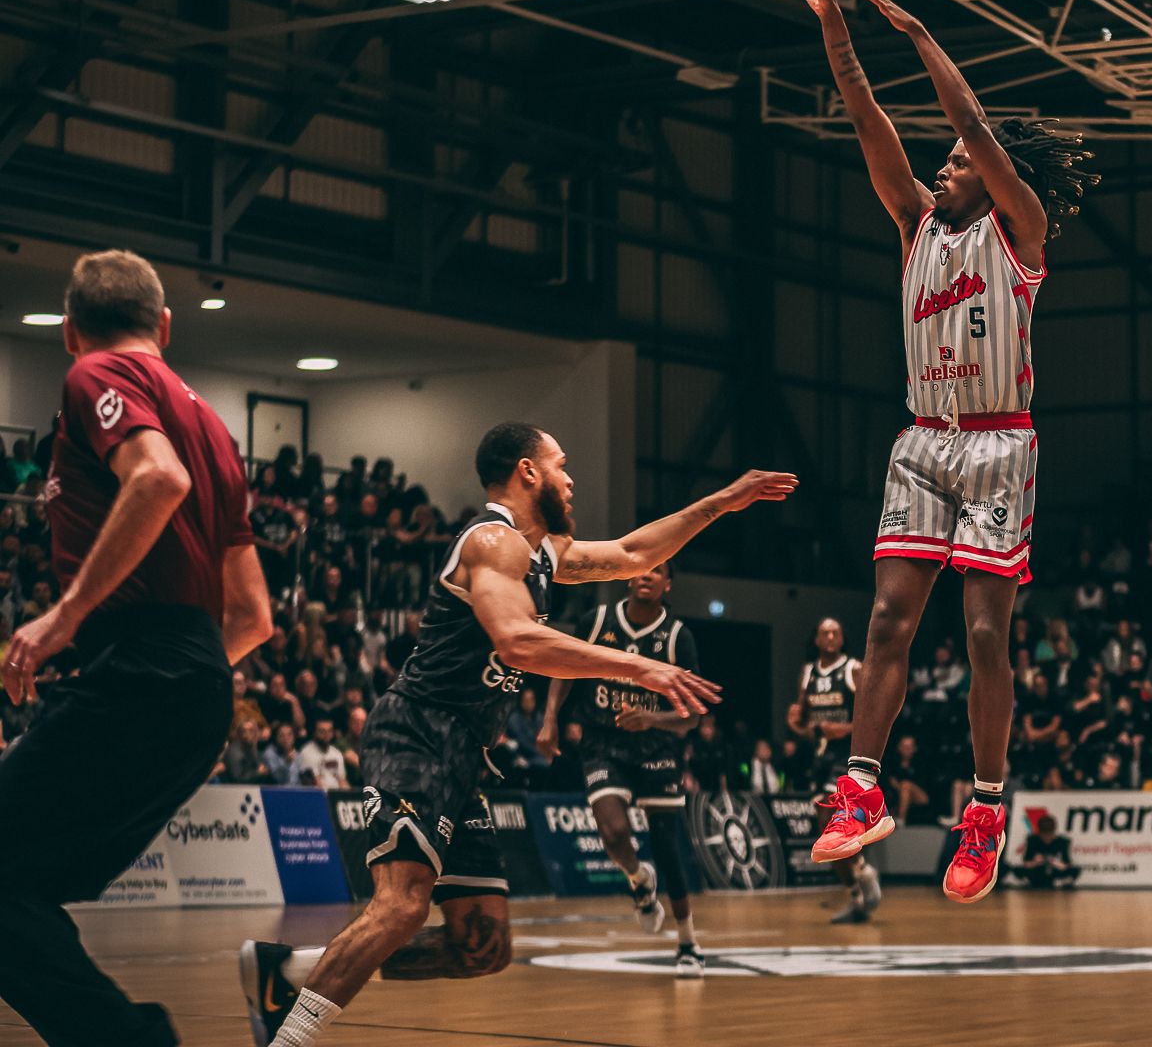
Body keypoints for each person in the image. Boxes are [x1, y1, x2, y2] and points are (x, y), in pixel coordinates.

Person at [239, 423, 793, 1046]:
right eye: (561, 464)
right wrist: (639, 665)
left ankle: (285, 968)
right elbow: (518, 640)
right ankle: (290, 1037)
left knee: (482, 945)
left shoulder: (543, 554)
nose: (570, 477)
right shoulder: (492, 541)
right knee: (401, 904)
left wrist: (721, 502)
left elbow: (636, 553)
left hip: (466, 755)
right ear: (528, 472)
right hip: (418, 731)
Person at [783, 0, 1095, 906]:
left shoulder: (1022, 228)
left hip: (1002, 443)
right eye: (947, 163)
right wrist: (834, 19)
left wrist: (915, 29)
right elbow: (861, 110)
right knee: (886, 620)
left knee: (987, 639)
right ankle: (859, 789)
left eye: (958, 160)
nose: (944, 163)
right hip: (923, 441)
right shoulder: (916, 224)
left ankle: (987, 808)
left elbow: (968, 120)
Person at [0, 250, 272, 1047]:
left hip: (137, 664)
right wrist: (187, 679)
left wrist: (64, 617)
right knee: (18, 883)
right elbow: (254, 616)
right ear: (165, 323)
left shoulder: (94, 377)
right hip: (195, 678)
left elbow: (156, 480)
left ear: (69, 332)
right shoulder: (216, 429)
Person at [538, 563, 706, 978]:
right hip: (603, 743)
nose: (647, 575)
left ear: (668, 584)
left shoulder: (677, 638)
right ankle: (638, 879)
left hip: (657, 748)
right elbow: (563, 667)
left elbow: (692, 718)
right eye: (642, 569)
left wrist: (652, 719)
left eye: (659, 571)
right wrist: (549, 719)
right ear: (629, 578)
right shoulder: (596, 622)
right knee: (613, 833)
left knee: (666, 845)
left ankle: (688, 941)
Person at [787, 617, 881, 924]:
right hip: (820, 758)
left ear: (842, 639)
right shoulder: (808, 672)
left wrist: (844, 729)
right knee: (824, 834)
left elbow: (875, 714)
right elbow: (804, 724)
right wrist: (797, 724)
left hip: (847, 758)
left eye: (835, 632)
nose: (829, 636)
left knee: (829, 821)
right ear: (816, 639)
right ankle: (856, 889)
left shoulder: (853, 668)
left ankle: (864, 870)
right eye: (824, 632)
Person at [1014, 813, 1080, 889]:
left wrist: (1055, 862)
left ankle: (1060, 881)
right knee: (1017, 869)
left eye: (1049, 834)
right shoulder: (1032, 840)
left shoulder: (1063, 841)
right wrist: (1036, 862)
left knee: (1075, 870)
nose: (1047, 837)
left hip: (1056, 871)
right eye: (1044, 834)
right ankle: (1031, 881)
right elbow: (1026, 862)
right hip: (1037, 870)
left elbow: (1067, 863)